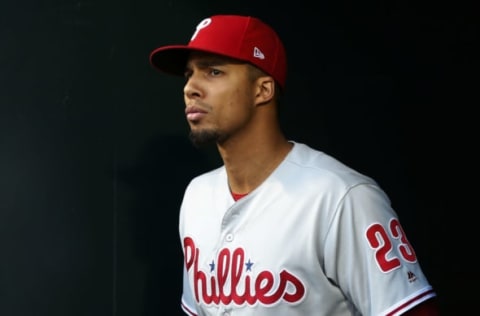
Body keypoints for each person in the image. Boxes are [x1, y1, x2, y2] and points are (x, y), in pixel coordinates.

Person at [149, 14, 440, 316]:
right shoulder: (197, 196)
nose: (190, 88)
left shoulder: (341, 196)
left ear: (263, 90)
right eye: (188, 74)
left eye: (213, 71)